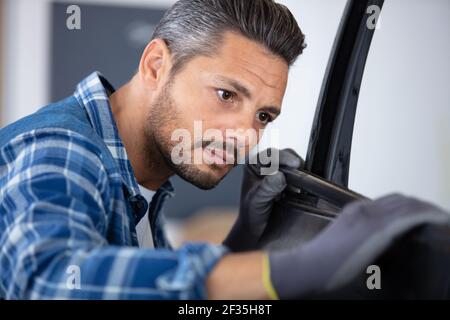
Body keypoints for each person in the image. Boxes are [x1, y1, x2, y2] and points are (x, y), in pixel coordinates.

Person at [0, 0, 448, 300]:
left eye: (263, 116)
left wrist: (244, 241)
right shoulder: (62, 149)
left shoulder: (142, 184)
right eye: (226, 95)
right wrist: (290, 269)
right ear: (157, 65)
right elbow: (46, 282)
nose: (245, 136)